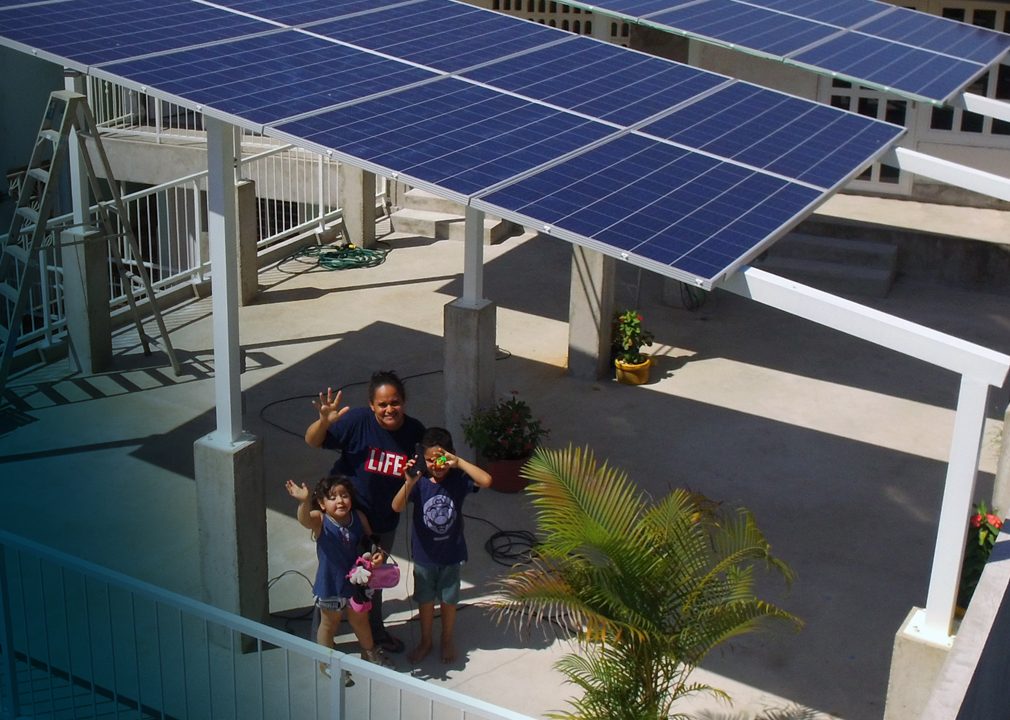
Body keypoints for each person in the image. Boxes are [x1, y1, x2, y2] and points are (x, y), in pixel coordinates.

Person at [304, 370, 425, 653]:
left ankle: (375, 634)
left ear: (403, 402)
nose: (389, 409)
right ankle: (319, 645)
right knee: (333, 578)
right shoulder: (357, 421)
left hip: (384, 520)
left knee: (373, 579)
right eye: (382, 404)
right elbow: (312, 440)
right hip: (346, 518)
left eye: (394, 402)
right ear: (372, 405)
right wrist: (323, 420)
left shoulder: (415, 432)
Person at [391, 427, 492, 664]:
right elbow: (396, 506)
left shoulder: (458, 479)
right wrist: (409, 481)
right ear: (422, 460)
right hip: (424, 556)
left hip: (451, 553)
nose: (437, 465)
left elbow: (486, 480)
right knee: (425, 601)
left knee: (448, 601)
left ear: (451, 456)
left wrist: (460, 463)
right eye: (430, 460)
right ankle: (426, 640)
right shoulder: (419, 482)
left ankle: (447, 638)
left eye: (442, 459)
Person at [284, 475, 393, 677]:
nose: (340, 500)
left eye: (344, 495)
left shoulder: (358, 517)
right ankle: (326, 662)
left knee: (361, 621)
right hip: (331, 585)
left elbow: (371, 541)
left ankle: (369, 653)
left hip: (356, 584)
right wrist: (304, 502)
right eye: (332, 497)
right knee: (328, 624)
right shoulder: (321, 519)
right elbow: (305, 520)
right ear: (322, 504)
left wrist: (376, 555)